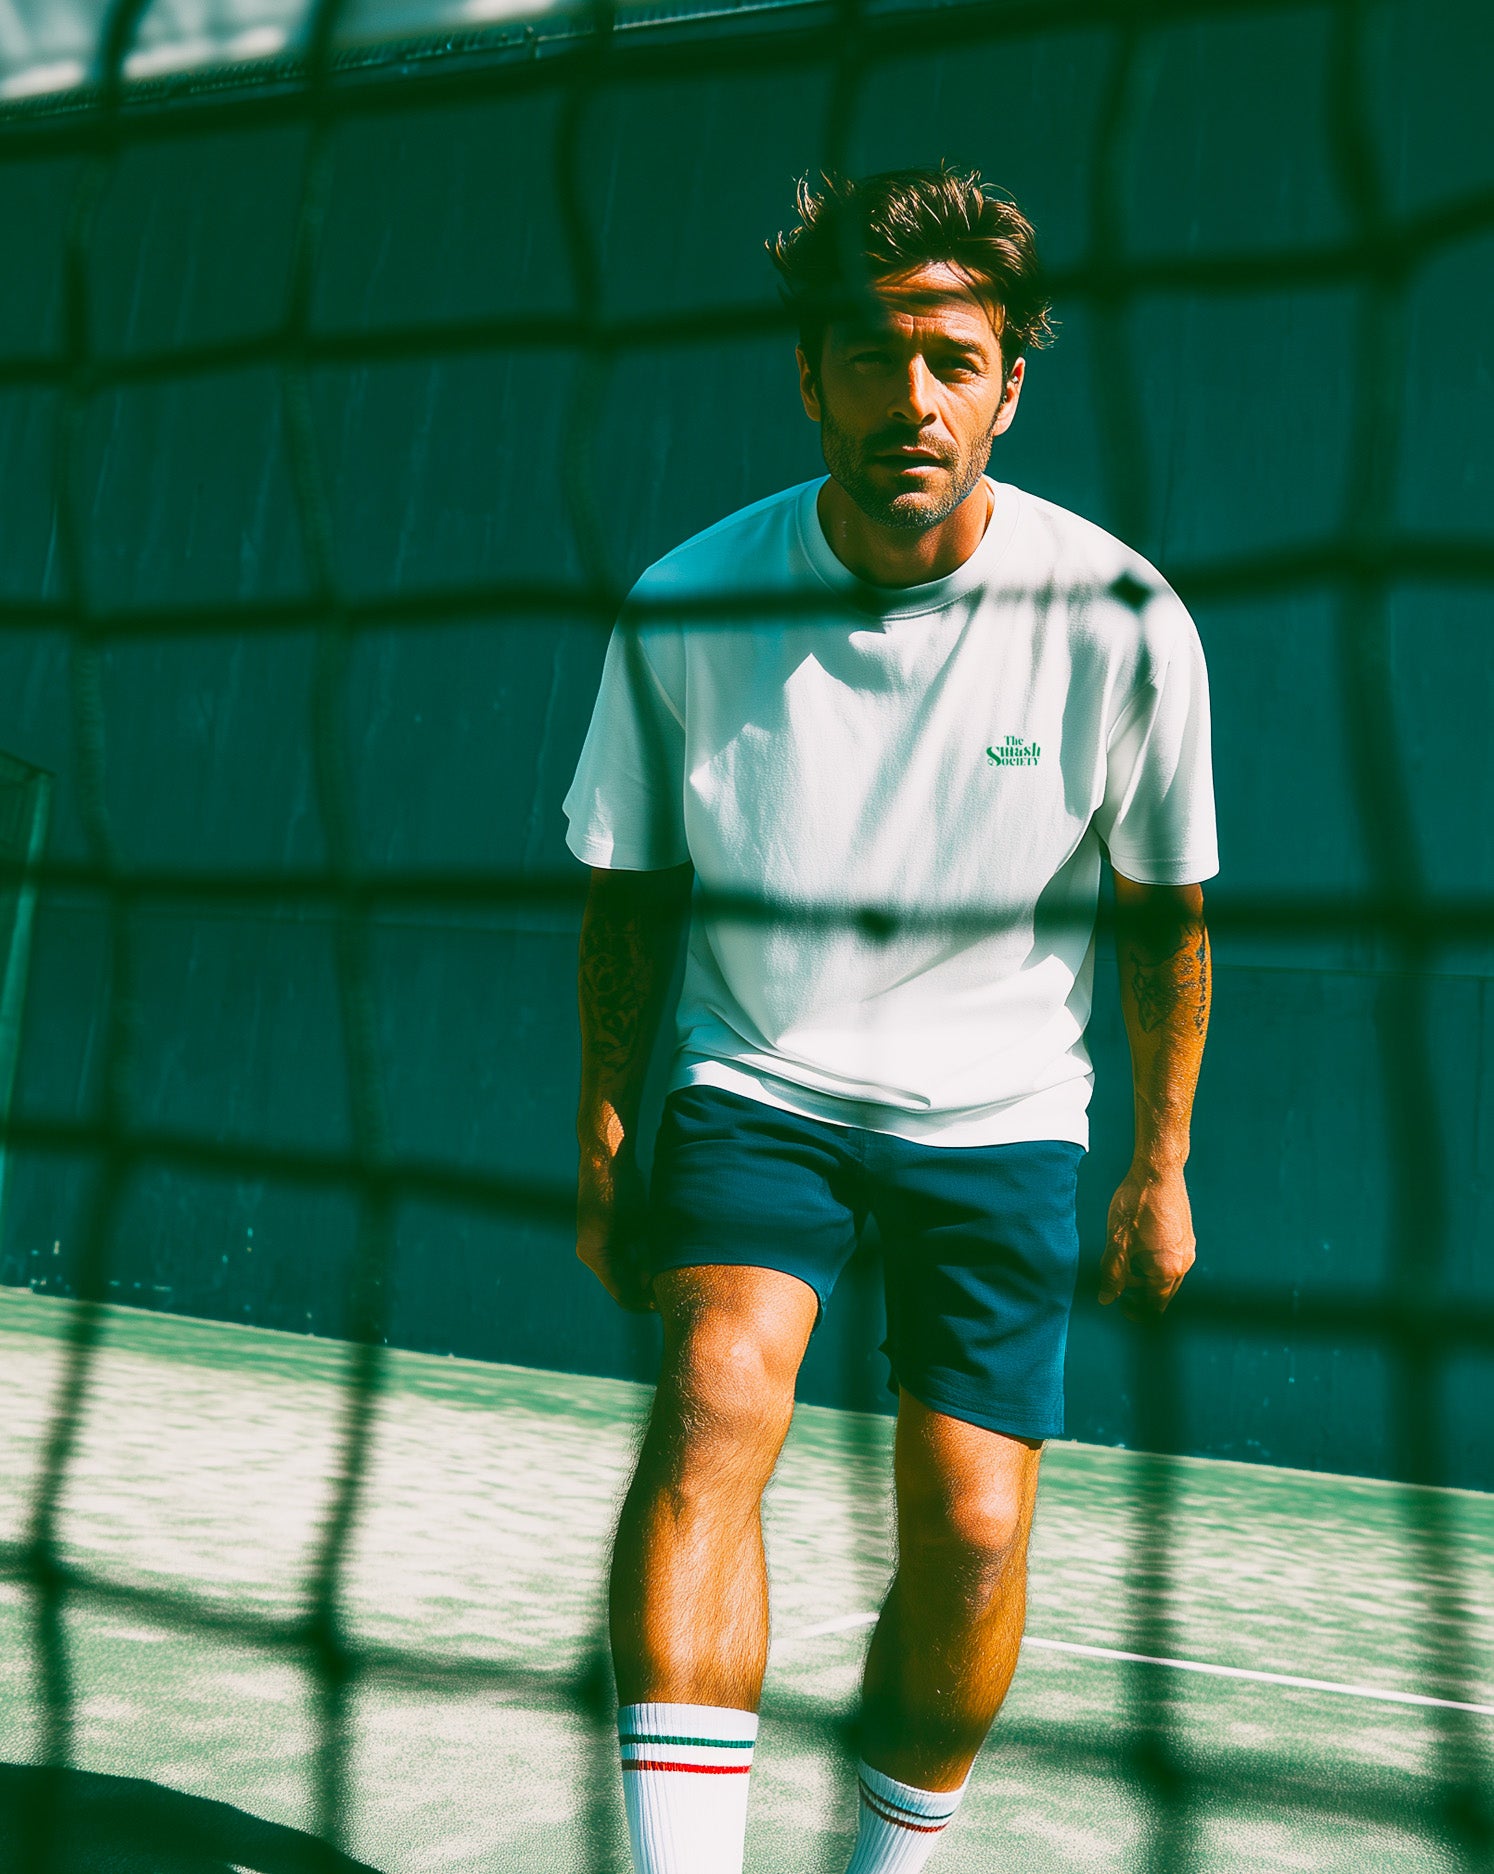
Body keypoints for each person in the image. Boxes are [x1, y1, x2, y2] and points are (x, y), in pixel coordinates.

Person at [563, 163, 1216, 1874]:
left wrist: (1157, 1164)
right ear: (809, 377)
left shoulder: (1123, 621)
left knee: (974, 1529)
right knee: (714, 1399)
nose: (909, 397)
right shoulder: (687, 601)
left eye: (950, 361)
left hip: (1002, 1113)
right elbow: (629, 892)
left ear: (1007, 387)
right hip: (756, 1080)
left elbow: (1164, 920)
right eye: (869, 355)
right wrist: (607, 1124)